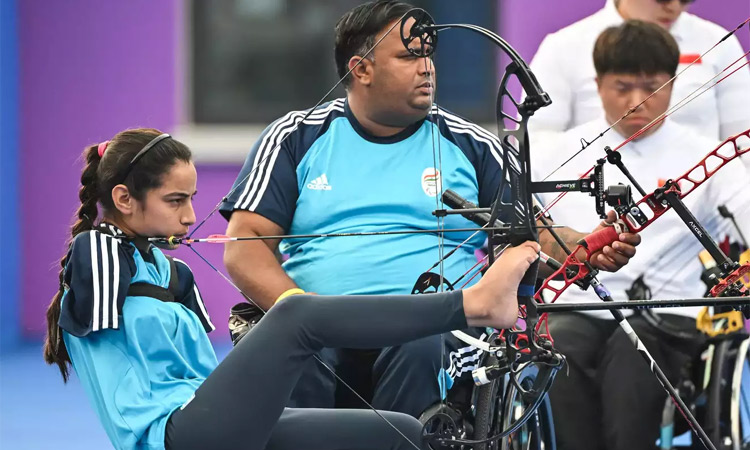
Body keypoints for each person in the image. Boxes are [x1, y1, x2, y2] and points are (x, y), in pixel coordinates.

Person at [220, 0, 641, 419]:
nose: (427, 69)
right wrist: (304, 314)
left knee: (419, 346)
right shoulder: (294, 137)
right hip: (319, 327)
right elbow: (245, 247)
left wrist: (586, 246)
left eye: (428, 55)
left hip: (433, 330)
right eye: (408, 57)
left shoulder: (473, 146)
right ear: (361, 69)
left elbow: (537, 237)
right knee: (293, 353)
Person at [43, 127, 544, 450]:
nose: (191, 216)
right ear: (123, 199)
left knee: (400, 431)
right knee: (297, 314)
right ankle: (476, 303)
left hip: (215, 423)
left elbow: (206, 378)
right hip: (171, 437)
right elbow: (99, 255)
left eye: (192, 199)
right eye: (175, 201)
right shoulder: (96, 251)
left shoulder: (174, 274)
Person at [531, 21, 750, 450]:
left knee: (634, 356)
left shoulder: (708, 155)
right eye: (622, 87)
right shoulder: (552, 154)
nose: (637, 102)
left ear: (673, 83)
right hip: (574, 311)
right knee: (557, 353)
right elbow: (524, 232)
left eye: (652, 87)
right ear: (597, 85)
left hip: (669, 317)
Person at [528, 0, 750, 145]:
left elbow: (743, 140)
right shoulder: (563, 46)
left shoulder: (719, 43)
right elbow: (538, 143)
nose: (674, 7)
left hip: (698, 192)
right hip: (595, 190)